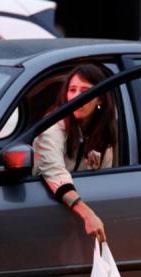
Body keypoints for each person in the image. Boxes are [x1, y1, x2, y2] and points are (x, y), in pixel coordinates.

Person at [32, 64, 116, 242]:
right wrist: (87, 214)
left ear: (99, 99)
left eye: (85, 90)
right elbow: (54, 172)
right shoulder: (53, 126)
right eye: (72, 89)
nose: (77, 96)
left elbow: (105, 177)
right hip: (47, 210)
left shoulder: (102, 132)